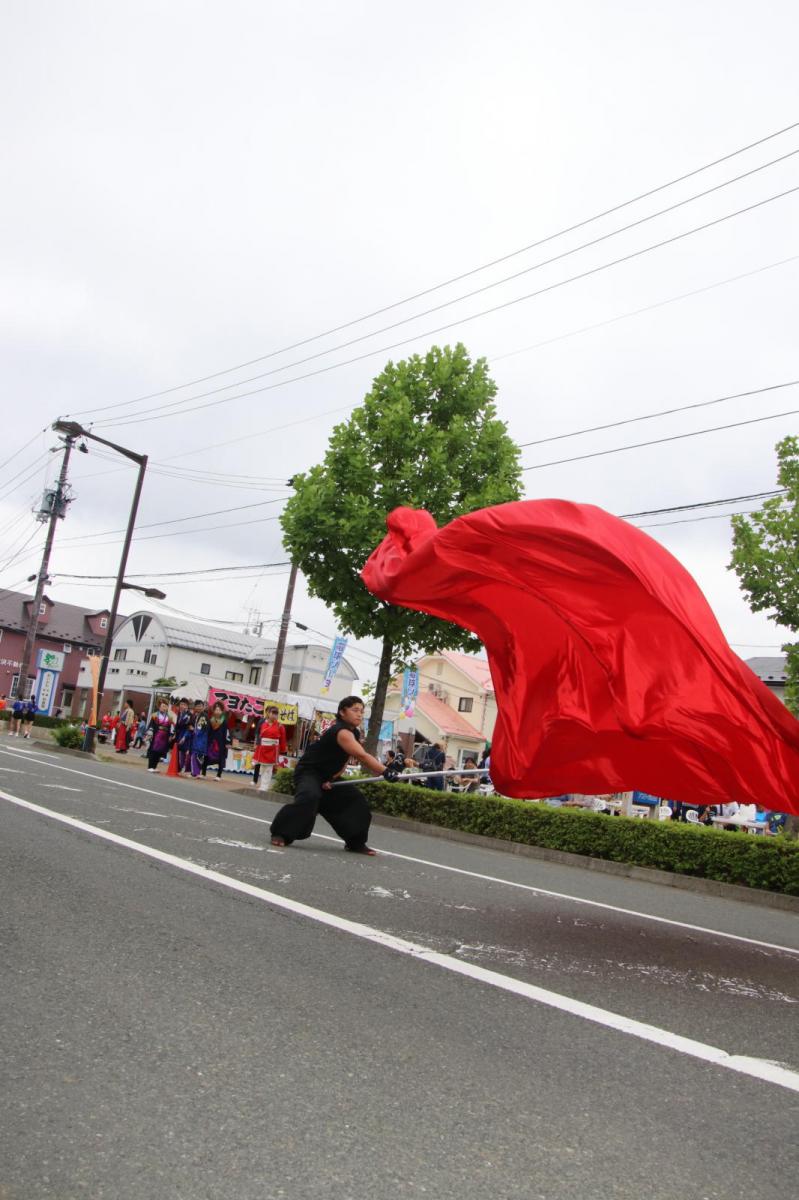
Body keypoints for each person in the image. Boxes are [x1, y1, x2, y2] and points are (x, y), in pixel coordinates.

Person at [270, 695, 391, 853]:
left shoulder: (353, 733)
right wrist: (387, 771)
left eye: (362, 711)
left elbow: (344, 760)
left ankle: (355, 842)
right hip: (309, 772)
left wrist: (331, 779)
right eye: (355, 710)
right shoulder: (341, 731)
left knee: (356, 800)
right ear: (342, 712)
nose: (360, 714)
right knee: (310, 796)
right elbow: (362, 756)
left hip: (326, 776)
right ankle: (281, 833)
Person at [252, 704, 287, 788]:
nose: (274, 715)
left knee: (268, 768)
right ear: (268, 713)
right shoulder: (264, 724)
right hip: (263, 748)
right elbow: (260, 736)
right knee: (263, 767)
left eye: (276, 713)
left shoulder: (280, 726)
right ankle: (262, 784)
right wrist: (257, 745)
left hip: (273, 749)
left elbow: (282, 739)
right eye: (273, 713)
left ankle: (265, 786)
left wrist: (282, 750)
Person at [202, 701, 230, 780]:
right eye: (216, 710)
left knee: (221, 759)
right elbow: (208, 731)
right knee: (206, 757)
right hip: (211, 742)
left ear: (222, 711)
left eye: (219, 710)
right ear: (213, 711)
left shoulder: (224, 721)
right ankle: (203, 773)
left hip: (220, 742)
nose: (217, 711)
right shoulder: (211, 720)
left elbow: (227, 732)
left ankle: (218, 775)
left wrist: (227, 742)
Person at [146, 701, 173, 772]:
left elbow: (170, 728)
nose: (164, 708)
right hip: (156, 735)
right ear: (159, 707)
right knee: (153, 751)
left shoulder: (169, 717)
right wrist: (150, 732)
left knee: (159, 752)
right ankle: (150, 766)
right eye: (163, 706)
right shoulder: (155, 715)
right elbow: (151, 725)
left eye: (165, 706)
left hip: (164, 737)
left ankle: (154, 767)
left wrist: (170, 735)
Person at [173, 697, 193, 772]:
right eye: (181, 704)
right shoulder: (179, 713)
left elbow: (189, 728)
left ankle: (181, 767)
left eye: (184, 704)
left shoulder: (190, 715)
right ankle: (178, 767)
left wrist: (184, 737)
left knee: (183, 752)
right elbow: (177, 725)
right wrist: (174, 734)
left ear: (187, 706)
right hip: (178, 735)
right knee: (177, 751)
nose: (182, 706)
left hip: (186, 735)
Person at [190, 700, 208, 778]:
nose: (199, 708)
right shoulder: (198, 715)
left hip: (200, 739)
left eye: (201, 706)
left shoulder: (203, 716)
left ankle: (195, 773)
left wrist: (193, 729)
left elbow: (199, 729)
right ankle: (196, 773)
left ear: (203, 707)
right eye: (197, 706)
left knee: (196, 755)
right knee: (198, 756)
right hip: (199, 739)